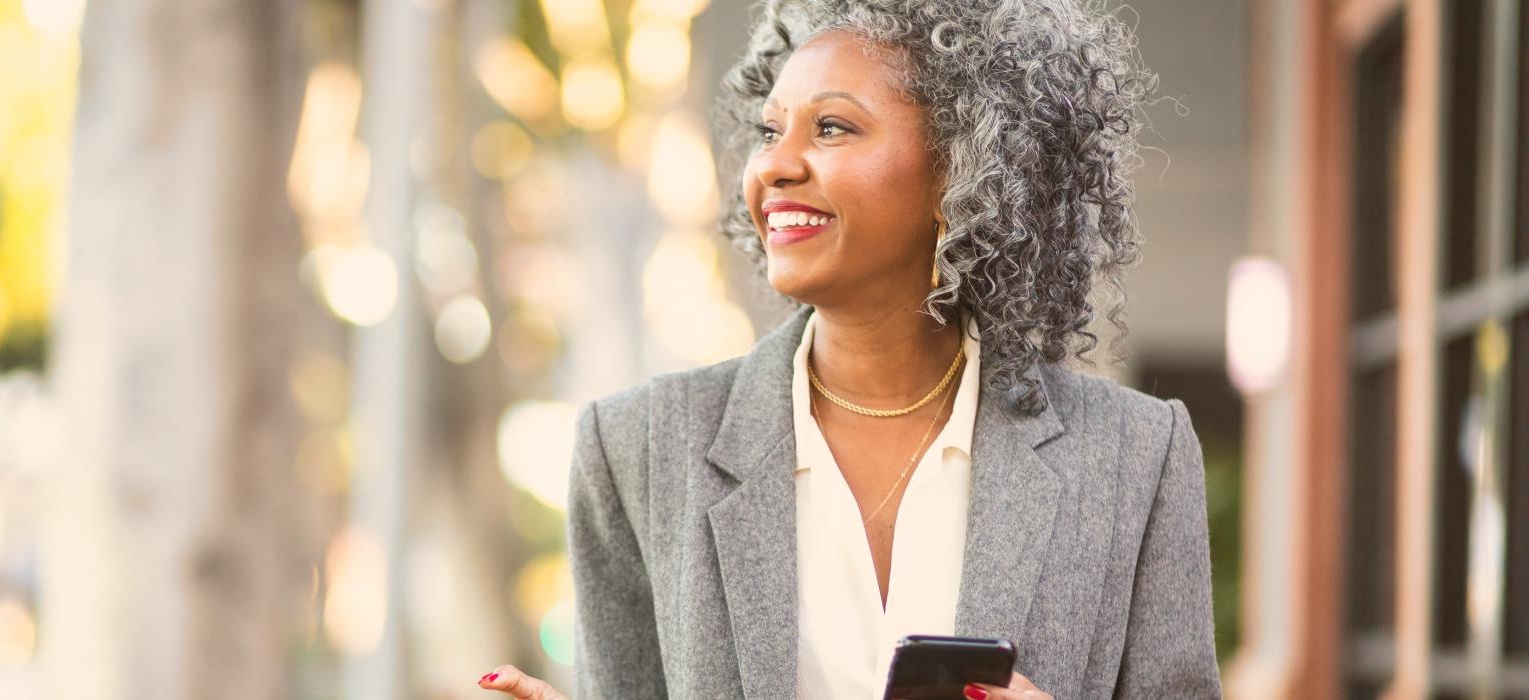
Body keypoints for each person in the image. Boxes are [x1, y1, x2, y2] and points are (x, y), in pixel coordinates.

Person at [481, 0, 1220, 697]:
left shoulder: (1136, 458)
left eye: (831, 128)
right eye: (772, 131)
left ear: (963, 170)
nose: (774, 166)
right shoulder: (637, 449)